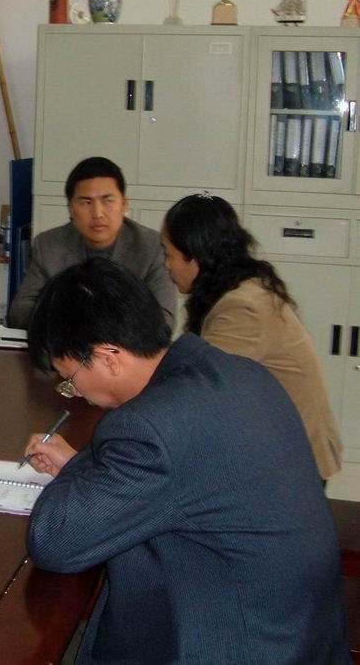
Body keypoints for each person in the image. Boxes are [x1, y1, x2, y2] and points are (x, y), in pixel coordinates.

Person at [22, 258, 348, 663]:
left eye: (70, 380)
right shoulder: (236, 373)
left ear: (108, 357)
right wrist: (81, 466)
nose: (75, 393)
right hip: (298, 635)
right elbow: (175, 473)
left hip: (237, 648)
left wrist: (79, 472)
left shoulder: (150, 427)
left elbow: (54, 541)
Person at [161, 193, 343, 481]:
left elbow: (198, 387)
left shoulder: (242, 307)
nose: (166, 265)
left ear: (193, 255)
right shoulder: (236, 288)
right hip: (277, 447)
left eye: (168, 253)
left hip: (294, 462)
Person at [7, 156, 175, 329]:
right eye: (86, 202)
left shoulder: (151, 247)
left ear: (124, 204)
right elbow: (20, 311)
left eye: (108, 201)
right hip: (67, 343)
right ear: (71, 209)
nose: (98, 213)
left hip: (126, 346)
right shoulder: (48, 245)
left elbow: (165, 320)